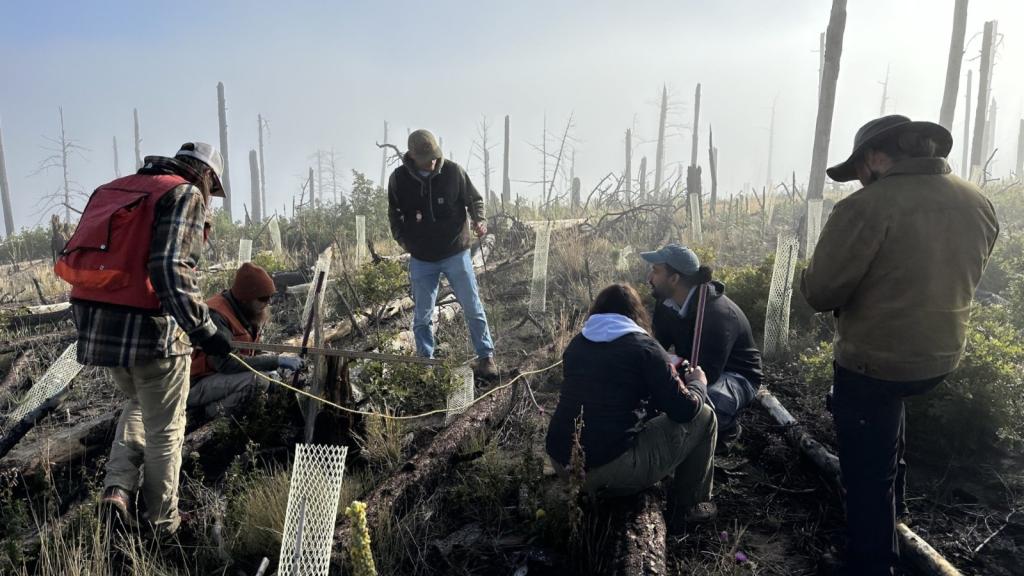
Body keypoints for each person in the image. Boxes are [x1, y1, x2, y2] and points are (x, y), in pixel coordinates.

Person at [801, 115, 999, 575]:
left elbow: (821, 292)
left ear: (874, 156)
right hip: (941, 356)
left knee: (867, 472)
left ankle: (872, 563)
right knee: (890, 420)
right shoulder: (978, 202)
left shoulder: (867, 208)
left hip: (874, 362)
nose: (860, 182)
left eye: (859, 171)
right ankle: (897, 513)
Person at [58, 142, 233, 535]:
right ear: (206, 175)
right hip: (153, 336)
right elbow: (170, 269)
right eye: (213, 189)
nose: (210, 198)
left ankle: (117, 490)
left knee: (138, 404)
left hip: (102, 334)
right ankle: (162, 525)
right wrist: (204, 329)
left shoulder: (114, 189)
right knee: (166, 431)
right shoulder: (183, 194)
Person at [545, 283, 718, 528]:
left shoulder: (577, 345)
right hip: (609, 469)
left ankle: (591, 492)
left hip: (562, 462)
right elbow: (684, 410)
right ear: (637, 314)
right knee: (706, 416)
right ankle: (690, 505)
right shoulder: (645, 348)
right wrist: (698, 384)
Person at [387, 129, 497, 379]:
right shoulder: (398, 180)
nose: (433, 160)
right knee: (422, 315)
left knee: (472, 306)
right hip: (421, 258)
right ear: (413, 157)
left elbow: (475, 200)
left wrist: (479, 220)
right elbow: (394, 214)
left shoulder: (453, 172)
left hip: (455, 252)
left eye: (434, 155)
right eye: (427, 157)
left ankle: (486, 357)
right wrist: (404, 241)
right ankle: (427, 365)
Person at [642, 244, 763, 449]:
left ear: (674, 278)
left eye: (656, 271)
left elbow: (709, 375)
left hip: (736, 375)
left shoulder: (717, 315)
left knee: (704, 408)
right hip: (696, 367)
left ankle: (727, 427)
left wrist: (673, 393)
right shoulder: (666, 303)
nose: (649, 278)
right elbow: (656, 349)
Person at [188, 262, 303, 420]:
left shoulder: (248, 312)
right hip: (198, 383)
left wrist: (275, 365)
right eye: (263, 298)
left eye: (270, 297)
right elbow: (226, 364)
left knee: (271, 377)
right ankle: (207, 415)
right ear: (245, 299)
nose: (268, 303)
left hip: (220, 379)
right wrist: (274, 361)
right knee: (258, 381)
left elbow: (253, 351)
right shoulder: (216, 315)